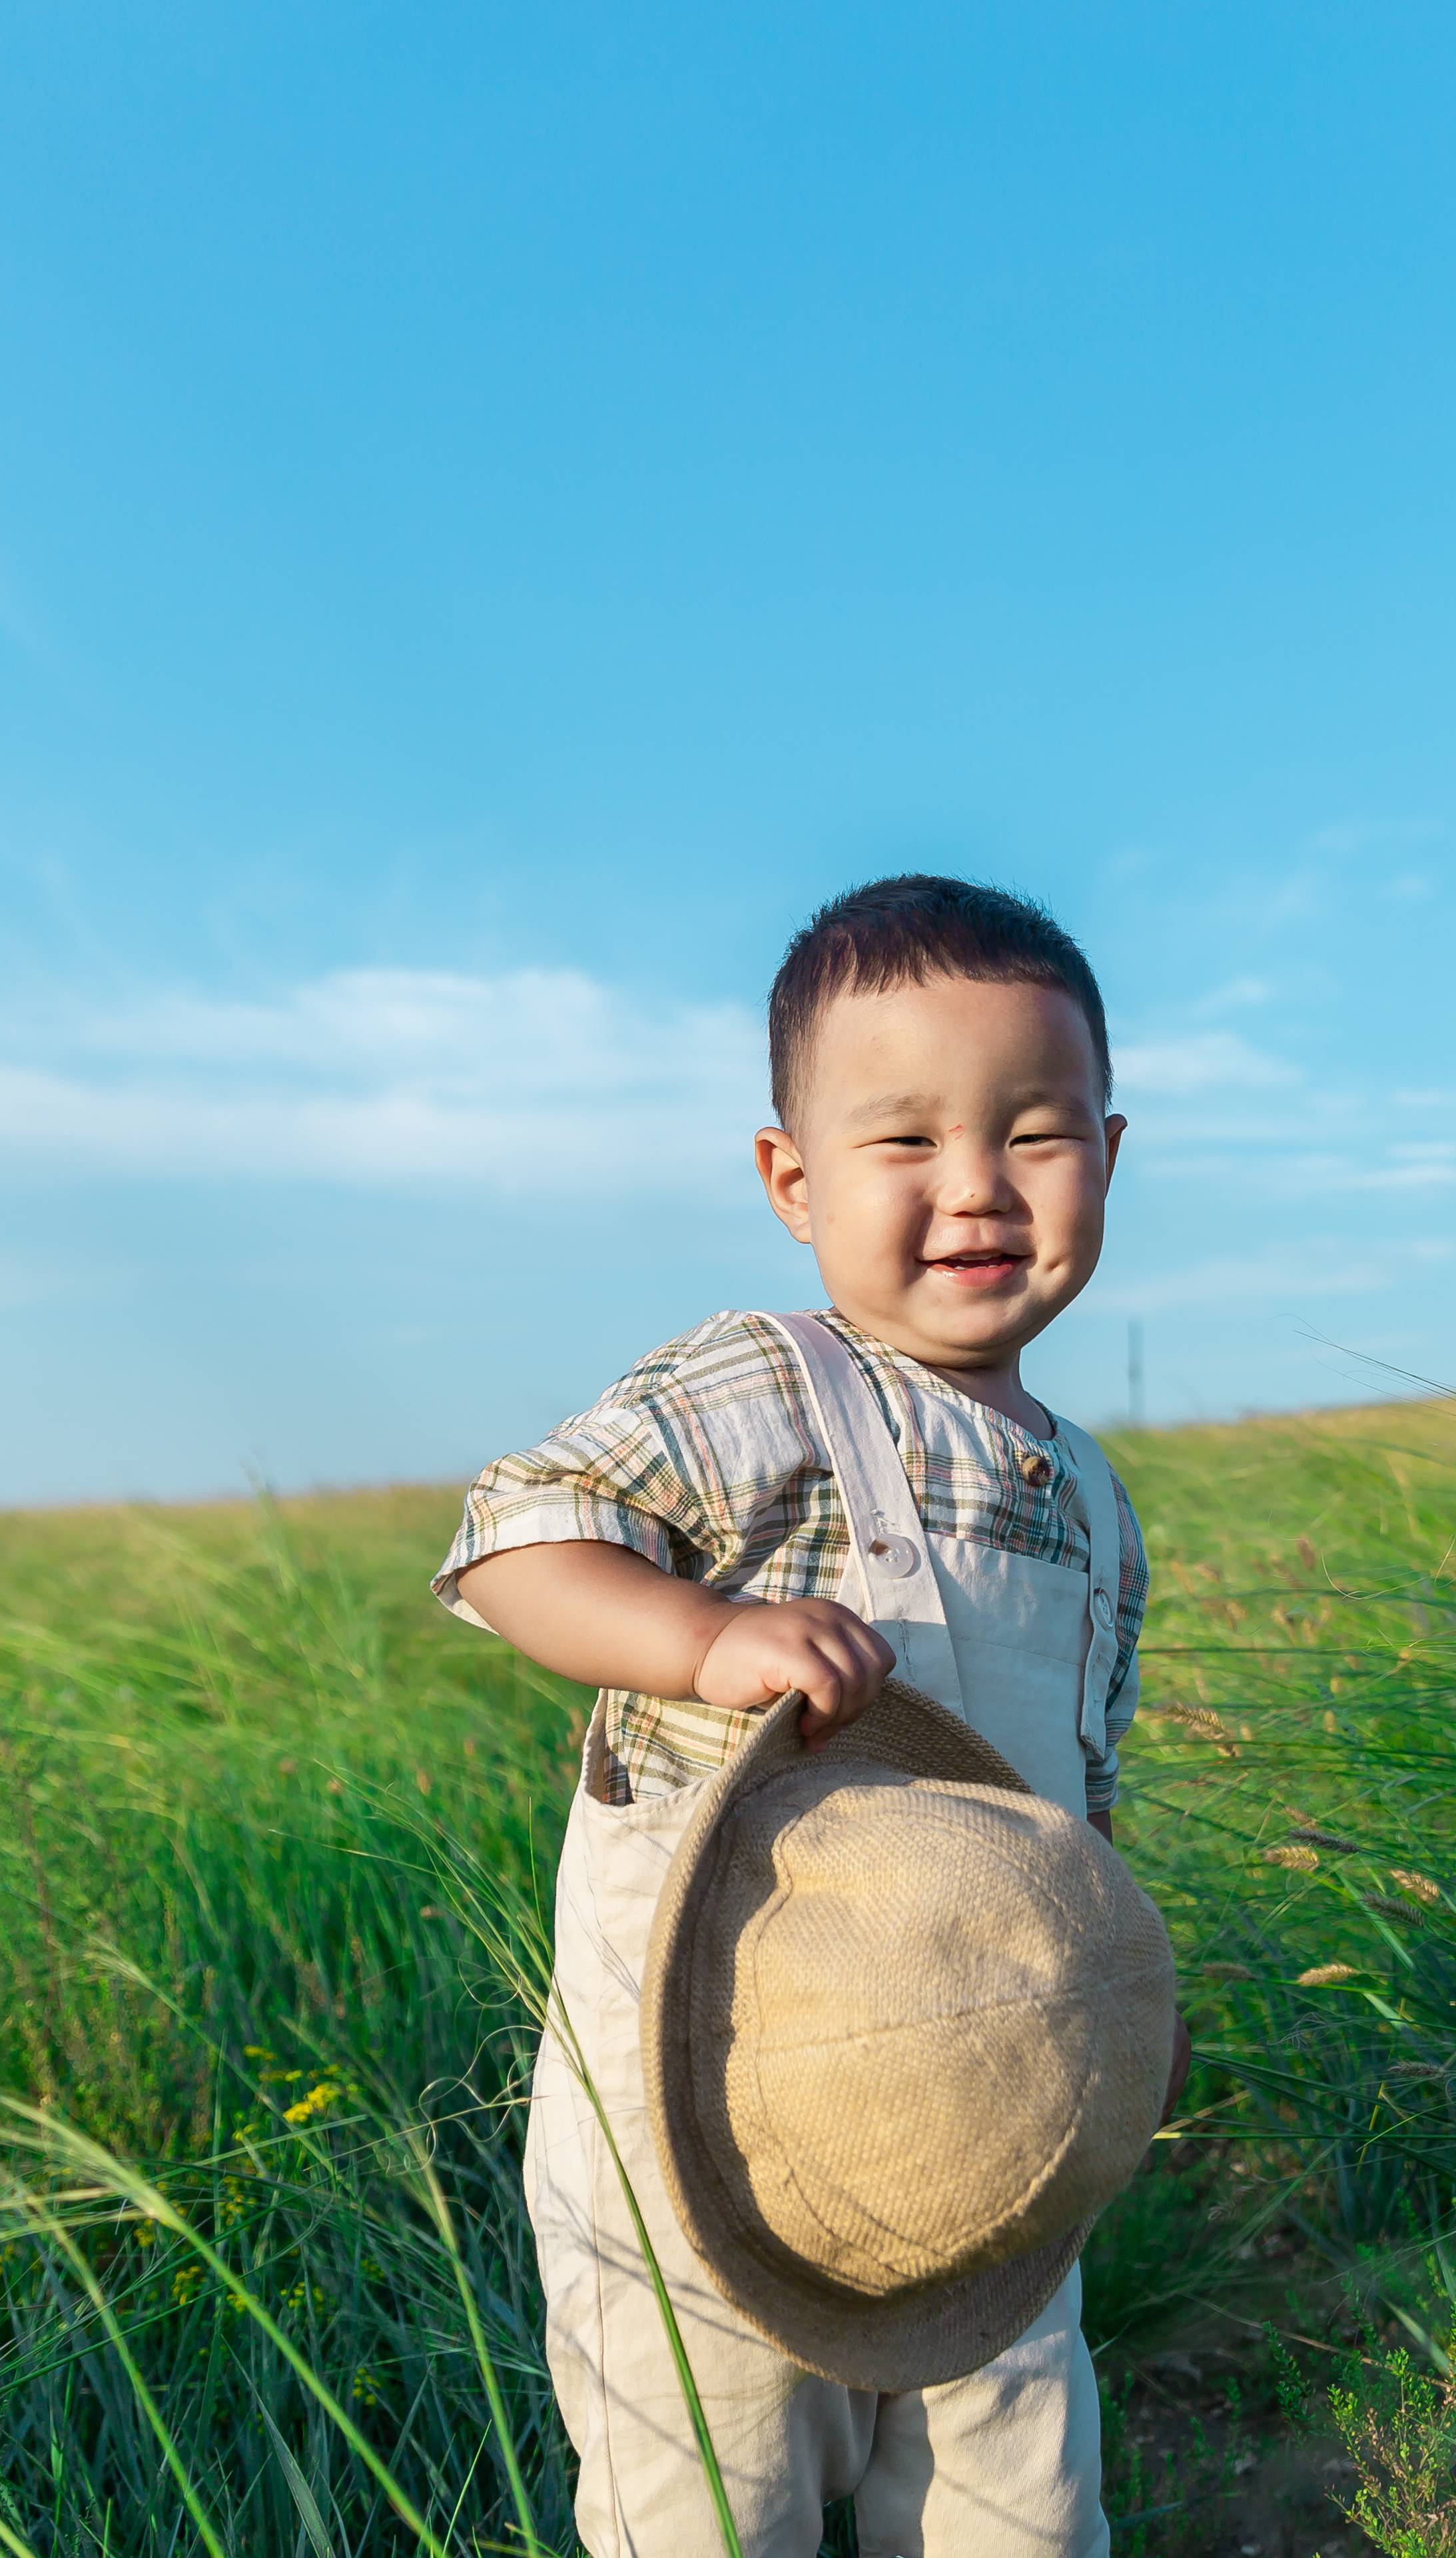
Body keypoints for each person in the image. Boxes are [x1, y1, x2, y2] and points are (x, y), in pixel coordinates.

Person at [439, 873, 1186, 2558]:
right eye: (904, 1141)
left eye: (1036, 1135)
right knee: (712, 2499)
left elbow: (1080, 1789)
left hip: (993, 2111)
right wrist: (701, 1640)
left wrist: (1123, 1985)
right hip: (711, 2118)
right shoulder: (764, 1381)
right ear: (792, 1180)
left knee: (1017, 2494)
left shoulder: (1093, 1495)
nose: (977, 1189)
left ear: (1111, 1161)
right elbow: (513, 1542)